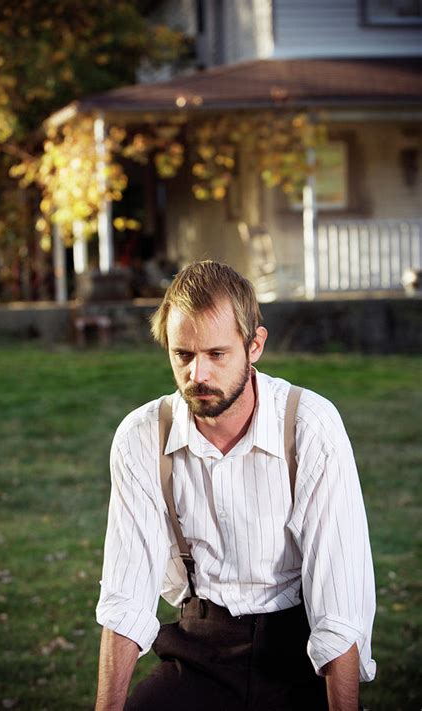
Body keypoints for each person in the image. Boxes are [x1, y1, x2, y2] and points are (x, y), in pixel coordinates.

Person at [94, 261, 376, 711]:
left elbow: (339, 603)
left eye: (217, 354)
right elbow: (125, 600)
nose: (197, 375)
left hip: (297, 649)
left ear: (255, 346)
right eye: (182, 355)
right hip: (200, 643)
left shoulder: (310, 426)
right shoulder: (141, 437)